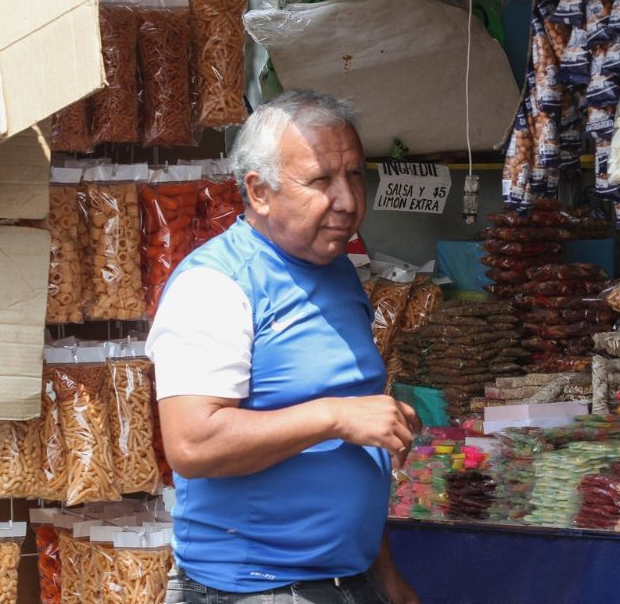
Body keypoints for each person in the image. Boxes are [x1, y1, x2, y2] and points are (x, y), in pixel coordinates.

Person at [147, 90, 423, 604]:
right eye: (321, 180)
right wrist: (335, 416)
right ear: (260, 192)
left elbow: (352, 449)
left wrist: (384, 575)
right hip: (258, 589)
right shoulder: (217, 284)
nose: (346, 199)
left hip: (347, 580)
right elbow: (192, 444)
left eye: (355, 175)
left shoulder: (336, 269)